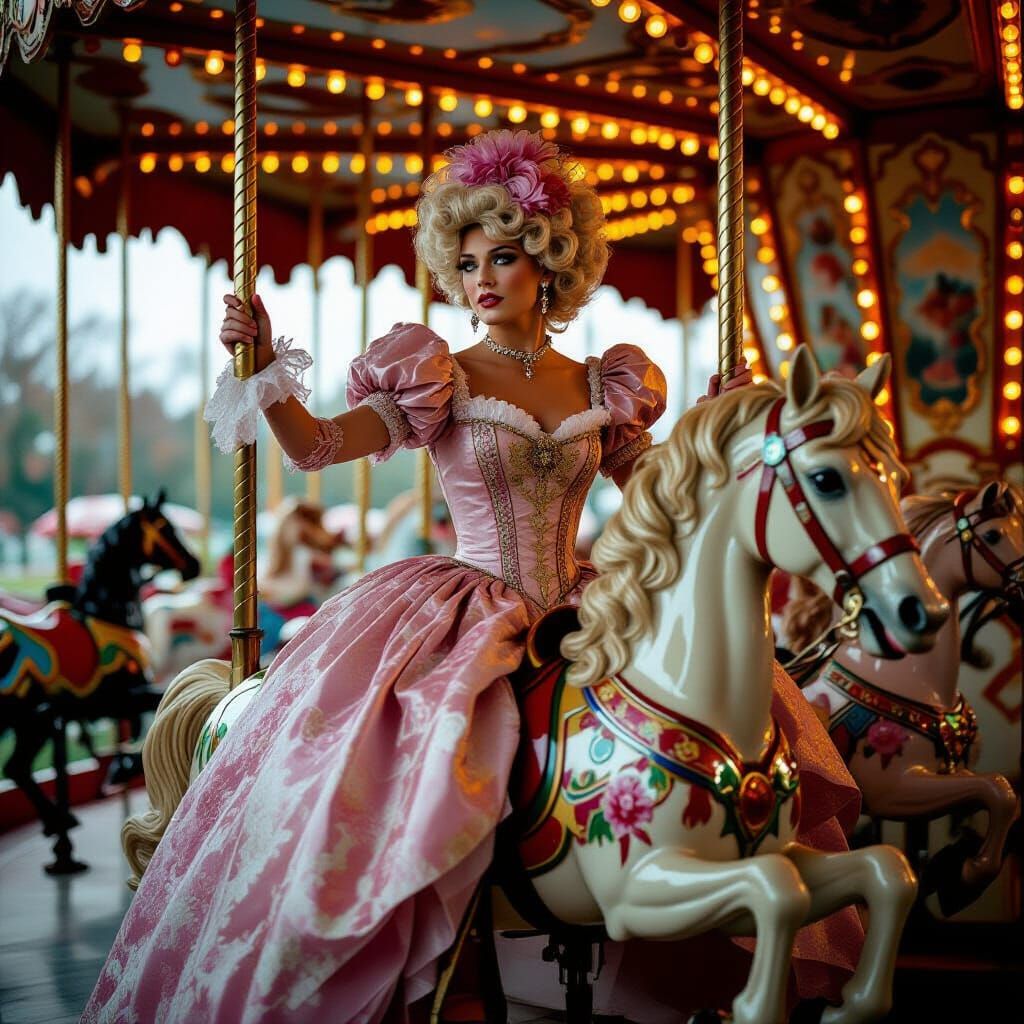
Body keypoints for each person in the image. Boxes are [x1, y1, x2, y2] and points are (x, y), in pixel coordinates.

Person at [83, 130, 859, 1023]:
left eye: (504, 255)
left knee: (711, 706)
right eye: (467, 261)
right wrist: (261, 370)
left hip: (582, 603)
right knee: (415, 749)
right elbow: (319, 446)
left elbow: (665, 495)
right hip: (472, 601)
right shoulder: (436, 377)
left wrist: (716, 439)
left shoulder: (604, 387)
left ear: (550, 261)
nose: (481, 277)